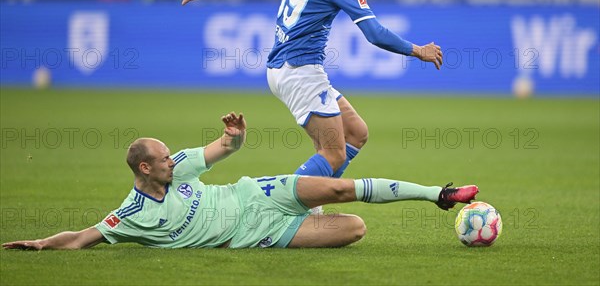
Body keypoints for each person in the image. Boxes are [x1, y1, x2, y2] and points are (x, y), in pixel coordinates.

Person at [170, 0, 444, 181]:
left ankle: (314, 207)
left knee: (356, 133)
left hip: (286, 67)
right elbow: (374, 33)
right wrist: (418, 50)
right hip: (299, 71)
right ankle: (278, 206)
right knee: (333, 155)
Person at [2, 112, 478, 250]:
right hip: (256, 234)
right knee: (354, 227)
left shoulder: (182, 165)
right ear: (144, 169)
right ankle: (317, 186)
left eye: (171, 155)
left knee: (337, 188)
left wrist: (234, 137)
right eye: (164, 158)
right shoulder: (132, 216)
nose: (173, 160)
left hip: (254, 192)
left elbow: (222, 150)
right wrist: (43, 243)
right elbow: (84, 236)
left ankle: (439, 194)